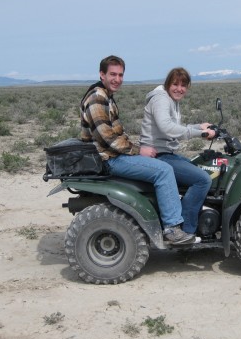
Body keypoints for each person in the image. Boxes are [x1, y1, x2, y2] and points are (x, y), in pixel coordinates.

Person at [80, 55, 195, 245]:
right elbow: (107, 137)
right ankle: (172, 228)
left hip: (113, 155)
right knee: (164, 170)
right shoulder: (97, 98)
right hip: (109, 159)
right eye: (113, 74)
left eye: (120, 75)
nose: (117, 79)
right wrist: (138, 150)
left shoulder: (105, 96)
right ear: (102, 74)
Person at [139, 67, 215, 236]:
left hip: (166, 153)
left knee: (200, 167)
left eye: (183, 85)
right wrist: (200, 133)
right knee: (203, 180)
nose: (179, 88)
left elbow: (176, 128)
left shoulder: (171, 100)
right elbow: (167, 128)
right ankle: (187, 230)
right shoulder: (161, 99)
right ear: (168, 84)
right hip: (158, 155)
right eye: (175, 84)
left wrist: (199, 126)